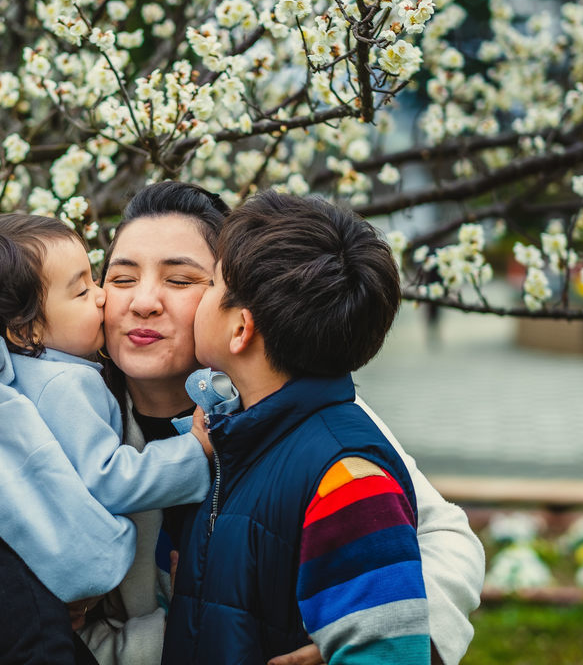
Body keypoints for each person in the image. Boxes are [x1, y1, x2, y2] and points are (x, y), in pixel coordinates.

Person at [80, 181, 484, 665]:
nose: (143, 301)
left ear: (244, 316)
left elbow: (443, 535)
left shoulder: (299, 418)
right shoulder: (70, 409)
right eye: (121, 279)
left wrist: (382, 644)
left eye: (182, 281)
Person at [0, 213, 212, 664]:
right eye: (83, 290)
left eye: (94, 280)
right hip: (3, 551)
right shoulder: (66, 382)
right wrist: (194, 452)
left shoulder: (3, 370)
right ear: (26, 331)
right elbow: (107, 479)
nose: (103, 298)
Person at [162, 190, 424, 663]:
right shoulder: (238, 440)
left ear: (241, 329)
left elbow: (390, 652)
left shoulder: (347, 478)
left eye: (213, 283)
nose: (199, 298)